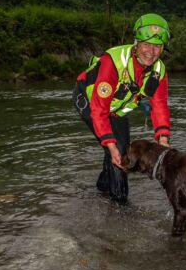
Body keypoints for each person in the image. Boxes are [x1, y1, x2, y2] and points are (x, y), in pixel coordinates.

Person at [72, 13, 171, 204]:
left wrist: (163, 139)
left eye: (157, 46)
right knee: (116, 150)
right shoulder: (114, 61)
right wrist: (109, 144)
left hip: (116, 108)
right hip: (89, 100)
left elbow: (159, 106)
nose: (151, 51)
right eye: (146, 44)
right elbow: (99, 110)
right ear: (136, 43)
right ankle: (120, 204)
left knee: (122, 150)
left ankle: (102, 189)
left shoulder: (159, 71)